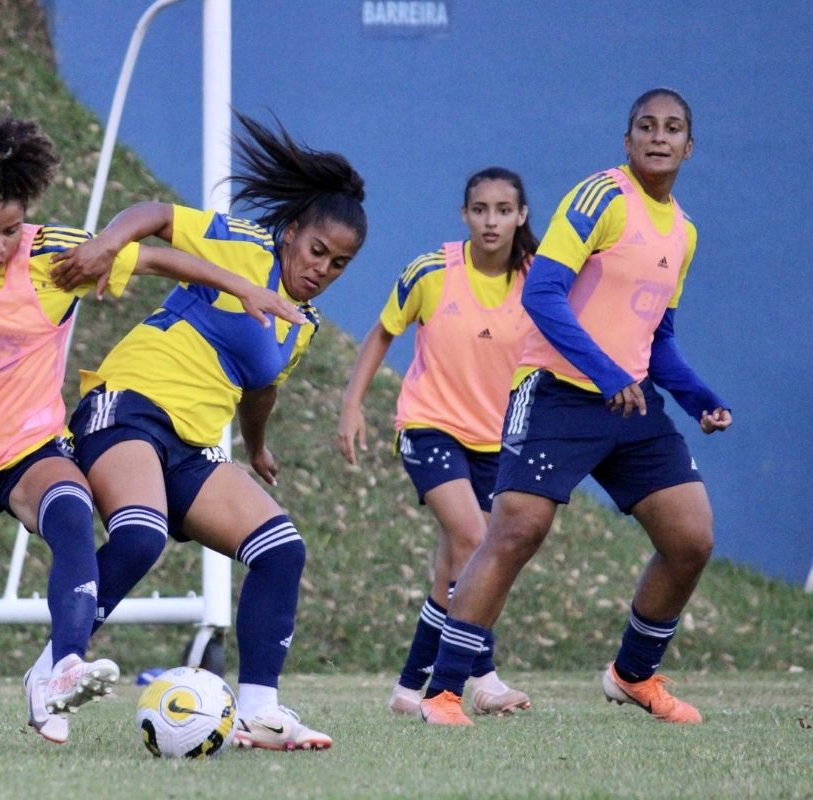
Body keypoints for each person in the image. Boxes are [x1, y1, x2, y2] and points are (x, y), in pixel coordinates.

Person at [0, 111, 303, 751]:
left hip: (31, 448)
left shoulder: (53, 255)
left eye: (10, 229)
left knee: (72, 509)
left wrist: (244, 287)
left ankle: (63, 667)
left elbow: (162, 259)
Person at [43, 111, 367, 751]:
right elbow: (156, 213)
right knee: (140, 534)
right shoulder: (243, 246)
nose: (323, 269)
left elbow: (261, 386)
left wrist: (257, 446)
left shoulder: (301, 324)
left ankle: (259, 711)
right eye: (317, 251)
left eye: (340, 264)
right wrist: (110, 242)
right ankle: (55, 670)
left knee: (281, 548)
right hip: (128, 406)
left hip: (191, 448)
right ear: (292, 231)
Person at [418, 88, 732, 726]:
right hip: (558, 393)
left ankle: (633, 675)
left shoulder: (685, 232)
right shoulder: (602, 198)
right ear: (627, 140)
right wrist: (606, 371)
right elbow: (543, 292)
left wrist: (700, 398)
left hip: (630, 402)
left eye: (673, 128)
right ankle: (444, 692)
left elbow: (658, 339)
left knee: (691, 537)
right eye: (645, 126)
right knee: (514, 533)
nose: (658, 136)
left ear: (689, 146)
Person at [337, 167, 537, 718]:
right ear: (464, 215)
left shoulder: (538, 279)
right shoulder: (431, 271)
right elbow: (382, 332)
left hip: (498, 442)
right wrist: (352, 406)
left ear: (521, 215)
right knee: (476, 539)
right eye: (479, 209)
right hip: (430, 427)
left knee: (454, 569)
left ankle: (407, 688)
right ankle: (485, 678)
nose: (490, 220)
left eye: (502, 209)